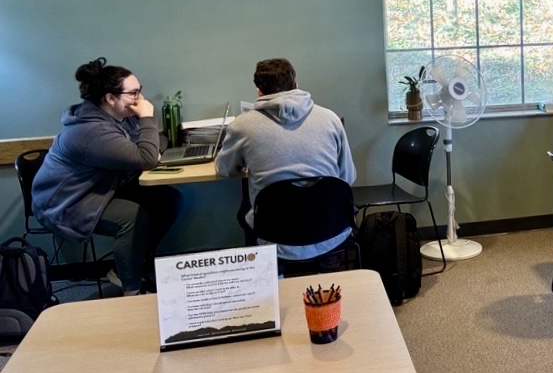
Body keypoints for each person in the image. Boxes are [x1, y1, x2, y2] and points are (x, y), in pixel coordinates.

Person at [32, 58, 182, 295]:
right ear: (110, 98)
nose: (140, 100)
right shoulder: (91, 131)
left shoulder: (118, 116)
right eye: (133, 93)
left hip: (100, 188)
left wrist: (149, 147)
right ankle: (131, 287)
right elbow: (147, 157)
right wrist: (147, 119)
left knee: (168, 198)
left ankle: (133, 264)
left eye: (139, 91)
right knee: (133, 217)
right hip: (67, 203)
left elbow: (155, 144)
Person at [215, 58, 357, 268]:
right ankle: (328, 272)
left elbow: (224, 169)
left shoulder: (241, 126)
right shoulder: (330, 119)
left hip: (274, 238)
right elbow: (348, 178)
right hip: (331, 231)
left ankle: (274, 275)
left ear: (259, 92)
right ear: (296, 86)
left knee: (245, 209)